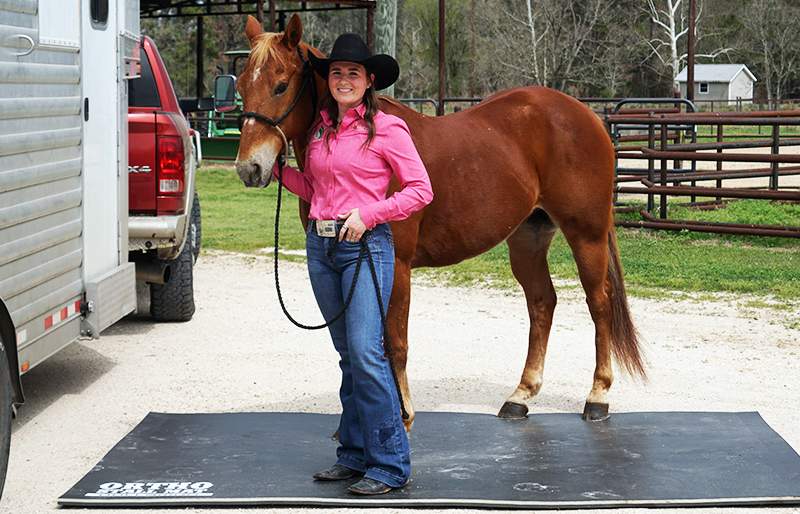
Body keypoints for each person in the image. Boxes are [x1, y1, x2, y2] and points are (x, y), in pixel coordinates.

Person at [274, 33, 433, 495]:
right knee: (348, 356)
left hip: (365, 247)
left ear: (369, 81)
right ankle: (354, 455)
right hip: (321, 249)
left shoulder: (388, 129)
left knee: (367, 353)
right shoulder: (320, 131)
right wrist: (278, 172)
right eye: (337, 72)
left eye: (354, 73)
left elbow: (420, 190)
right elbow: (316, 191)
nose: (344, 80)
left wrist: (369, 214)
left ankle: (390, 464)